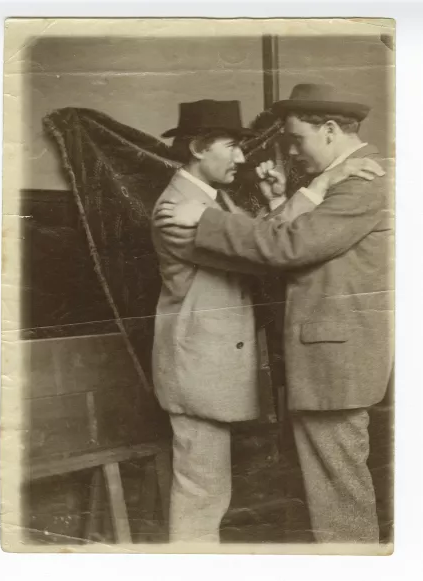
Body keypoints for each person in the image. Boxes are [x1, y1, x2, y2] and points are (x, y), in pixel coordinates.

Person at [154, 85, 393, 544]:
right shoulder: (176, 207)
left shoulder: (359, 182)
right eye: (233, 145)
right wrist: (301, 197)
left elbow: (284, 248)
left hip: (326, 365)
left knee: (334, 492)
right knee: (205, 491)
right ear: (198, 149)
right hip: (202, 369)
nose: (245, 157)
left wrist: (305, 195)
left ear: (328, 131)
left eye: (297, 139)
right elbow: (271, 249)